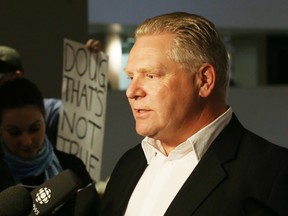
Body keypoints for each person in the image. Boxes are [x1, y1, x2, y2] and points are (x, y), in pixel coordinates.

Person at [99, 12, 288, 216]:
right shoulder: (129, 163)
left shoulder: (274, 173)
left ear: (204, 80)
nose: (131, 91)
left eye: (151, 75)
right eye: (130, 77)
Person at [0, 77, 100, 215]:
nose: (27, 141)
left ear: (44, 120)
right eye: (14, 132)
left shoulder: (72, 167)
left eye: (34, 129)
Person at [0, 39, 102, 146]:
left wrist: (90, 71)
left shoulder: (50, 112)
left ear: (17, 76)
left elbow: (74, 114)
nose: (26, 141)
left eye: (34, 129)